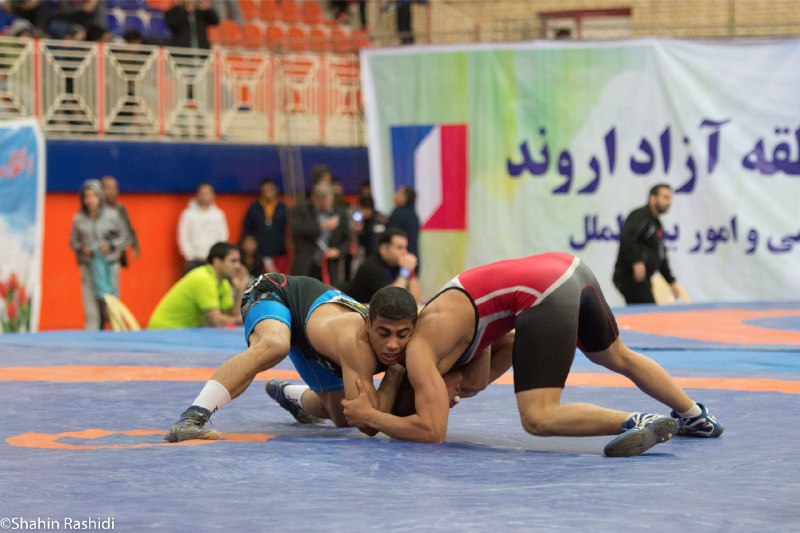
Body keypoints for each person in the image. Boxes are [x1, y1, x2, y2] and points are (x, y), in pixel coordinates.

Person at [341, 252, 723, 457]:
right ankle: (695, 416)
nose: (450, 401)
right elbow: (508, 342)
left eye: (439, 398)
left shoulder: (421, 352)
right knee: (616, 354)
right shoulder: (449, 335)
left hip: (542, 290)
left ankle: (637, 421)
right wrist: (470, 382)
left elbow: (432, 431)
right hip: (568, 267)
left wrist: (371, 416)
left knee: (538, 417)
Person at [163, 280, 418, 442]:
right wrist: (395, 373)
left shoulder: (417, 339)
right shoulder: (357, 342)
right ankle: (191, 417)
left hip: (316, 338)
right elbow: (369, 425)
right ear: (368, 324)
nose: (392, 345)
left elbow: (363, 417)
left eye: (401, 335)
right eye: (383, 333)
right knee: (275, 344)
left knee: (342, 417)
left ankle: (288, 394)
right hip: (277, 293)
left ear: (413, 328)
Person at [69, 179, 129, 330]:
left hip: (109, 266)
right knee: (91, 311)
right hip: (89, 267)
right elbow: (73, 242)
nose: (90, 200)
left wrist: (111, 245)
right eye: (87, 196)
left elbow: (125, 237)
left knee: (111, 307)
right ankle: (91, 338)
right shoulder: (78, 219)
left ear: (100, 197)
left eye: (94, 196)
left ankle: (117, 335)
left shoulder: (112, 215)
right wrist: (82, 248)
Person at [148, 241, 247, 329]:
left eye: (239, 261)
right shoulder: (203, 279)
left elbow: (231, 315)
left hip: (186, 331)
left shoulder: (223, 283)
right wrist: (240, 320)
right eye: (233, 261)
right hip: (164, 330)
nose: (238, 266)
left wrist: (240, 290)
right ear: (217, 262)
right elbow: (216, 322)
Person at [613, 183, 680, 305]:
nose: (669, 202)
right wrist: (636, 261)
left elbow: (661, 256)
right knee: (649, 311)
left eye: (670, 198)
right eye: (665, 197)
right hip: (630, 277)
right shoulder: (640, 216)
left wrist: (671, 281)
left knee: (647, 311)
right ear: (652, 198)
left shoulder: (657, 225)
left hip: (643, 280)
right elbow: (627, 237)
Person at [289, 182, 351, 286]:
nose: (326, 206)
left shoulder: (340, 212)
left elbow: (348, 238)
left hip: (330, 265)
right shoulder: (301, 211)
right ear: (314, 199)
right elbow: (297, 230)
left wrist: (339, 251)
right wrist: (321, 227)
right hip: (307, 263)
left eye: (328, 202)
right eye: (322, 203)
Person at [344, 228, 422, 304]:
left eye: (405, 248)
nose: (404, 252)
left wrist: (410, 272)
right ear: (384, 249)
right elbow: (393, 301)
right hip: (354, 310)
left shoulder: (399, 264)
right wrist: (405, 271)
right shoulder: (372, 267)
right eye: (399, 248)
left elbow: (416, 301)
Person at [178, 182, 229, 274]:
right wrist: (190, 256)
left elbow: (223, 236)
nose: (205, 196)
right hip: (194, 260)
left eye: (208, 193)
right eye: (203, 193)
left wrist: (217, 255)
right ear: (197, 195)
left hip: (213, 261)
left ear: (213, 195)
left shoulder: (218, 215)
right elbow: (183, 236)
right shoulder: (188, 214)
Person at [240, 178, 289, 274]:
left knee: (278, 279)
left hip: (279, 252)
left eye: (270, 189)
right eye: (265, 189)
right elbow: (247, 229)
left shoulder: (283, 209)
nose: (268, 192)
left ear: (276, 190)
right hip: (259, 252)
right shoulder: (254, 208)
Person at [101, 176, 140, 269]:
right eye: (109, 188)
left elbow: (128, 228)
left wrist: (135, 245)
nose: (112, 192)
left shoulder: (120, 209)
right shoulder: (95, 210)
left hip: (116, 253)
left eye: (114, 188)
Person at [387, 185, 420, 272]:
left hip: (400, 262)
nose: (395, 195)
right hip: (412, 259)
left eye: (398, 193)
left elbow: (391, 236)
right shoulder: (414, 215)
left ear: (405, 198)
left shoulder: (398, 214)